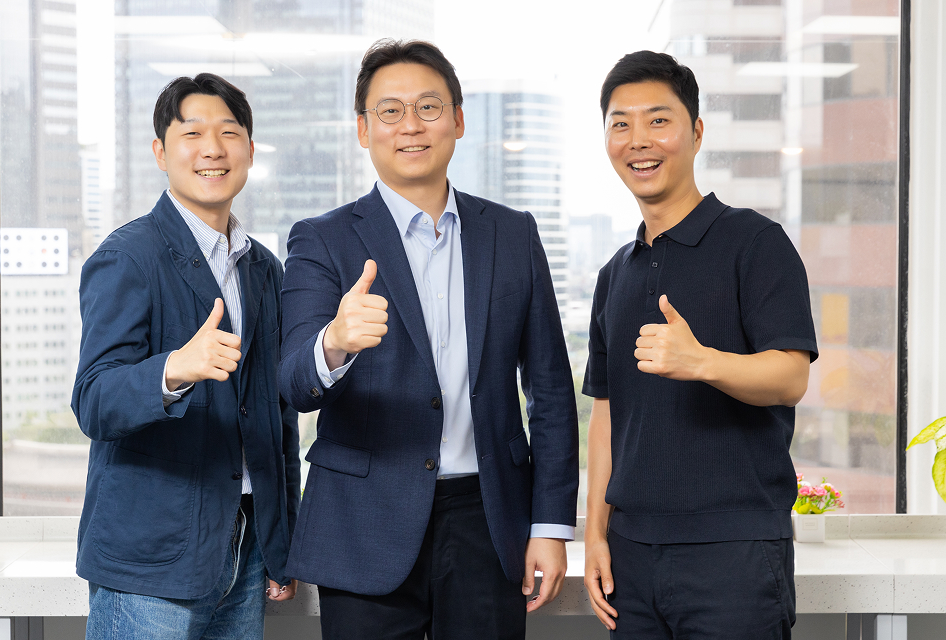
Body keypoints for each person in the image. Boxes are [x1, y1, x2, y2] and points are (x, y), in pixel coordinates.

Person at [278, 39, 579, 640]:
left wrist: (549, 525)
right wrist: (334, 342)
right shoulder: (322, 240)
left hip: (487, 516)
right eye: (389, 112)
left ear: (459, 120)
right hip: (364, 521)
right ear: (363, 130)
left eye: (429, 108)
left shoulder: (513, 234)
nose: (410, 126)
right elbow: (293, 382)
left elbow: (548, 388)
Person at [581, 50, 818, 639]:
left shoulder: (755, 242)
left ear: (696, 132)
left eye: (659, 120)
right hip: (630, 556)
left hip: (733, 552)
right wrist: (595, 535)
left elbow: (790, 377)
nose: (639, 140)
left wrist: (702, 362)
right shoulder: (615, 273)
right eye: (621, 123)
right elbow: (606, 414)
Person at [71, 73, 301, 640]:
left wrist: (279, 544)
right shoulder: (129, 256)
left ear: (249, 149)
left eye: (229, 132)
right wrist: (175, 368)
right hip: (149, 560)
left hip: (244, 551)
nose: (213, 149)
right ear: (160, 152)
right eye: (192, 133)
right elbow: (94, 400)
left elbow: (277, 418)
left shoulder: (263, 269)